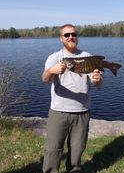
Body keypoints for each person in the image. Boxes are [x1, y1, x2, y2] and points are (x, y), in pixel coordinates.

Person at [42, 24, 102, 173]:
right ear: (61, 38)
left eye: (73, 34)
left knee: (77, 150)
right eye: (67, 35)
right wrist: (51, 70)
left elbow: (98, 83)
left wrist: (97, 79)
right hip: (58, 112)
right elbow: (45, 79)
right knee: (53, 149)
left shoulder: (86, 56)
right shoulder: (55, 57)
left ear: (77, 37)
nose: (71, 37)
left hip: (82, 112)